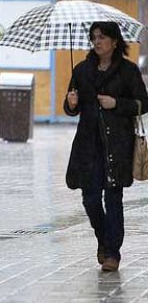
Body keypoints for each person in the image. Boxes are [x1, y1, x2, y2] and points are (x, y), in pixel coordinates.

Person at [64, 21, 148, 272]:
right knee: (90, 199)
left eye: (102, 37)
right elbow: (70, 108)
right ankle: (104, 239)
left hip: (118, 145)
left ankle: (112, 252)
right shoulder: (81, 70)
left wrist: (116, 104)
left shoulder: (128, 71)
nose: (97, 42)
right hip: (88, 146)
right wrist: (71, 103)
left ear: (114, 41)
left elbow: (143, 104)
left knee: (113, 198)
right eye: (94, 38)